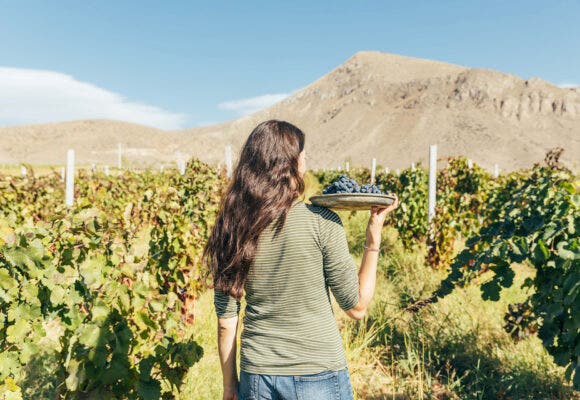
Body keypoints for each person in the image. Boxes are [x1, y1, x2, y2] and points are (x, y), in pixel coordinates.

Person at [203, 120, 399, 400]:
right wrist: (373, 240)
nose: (306, 159)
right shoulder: (323, 221)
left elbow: (226, 323)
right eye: (303, 154)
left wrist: (229, 386)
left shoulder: (232, 227)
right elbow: (356, 308)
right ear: (292, 164)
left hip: (258, 376)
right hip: (318, 374)